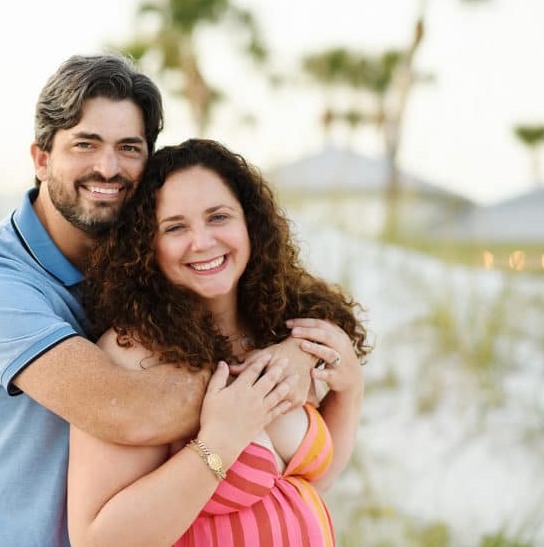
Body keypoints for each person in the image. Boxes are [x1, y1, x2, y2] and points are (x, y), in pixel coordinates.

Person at [0, 56, 309, 547]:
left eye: (128, 148)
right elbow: (129, 410)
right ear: (42, 159)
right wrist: (270, 374)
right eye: (85, 144)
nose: (108, 168)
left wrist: (300, 352)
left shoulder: (143, 276)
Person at [69, 139, 370, 547]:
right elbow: (97, 540)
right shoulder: (134, 356)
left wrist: (349, 391)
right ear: (145, 246)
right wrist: (219, 444)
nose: (203, 241)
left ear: (250, 223)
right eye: (175, 227)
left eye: (218, 217)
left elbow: (321, 476)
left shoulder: (279, 327)